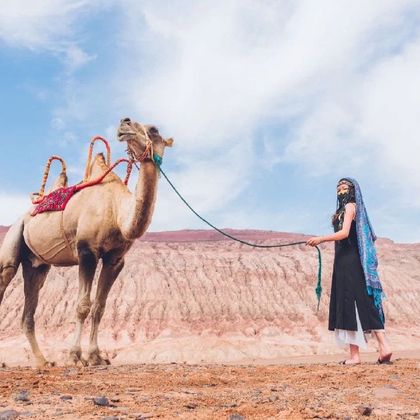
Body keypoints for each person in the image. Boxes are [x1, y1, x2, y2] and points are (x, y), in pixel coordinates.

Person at [306, 178, 392, 365]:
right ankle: (381, 348)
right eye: (338, 187)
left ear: (353, 190)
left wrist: (321, 239)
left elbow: (344, 233)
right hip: (344, 262)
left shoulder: (351, 207)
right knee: (358, 303)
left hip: (349, 262)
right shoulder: (342, 210)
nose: (340, 190)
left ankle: (357, 356)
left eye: (344, 187)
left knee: (351, 302)